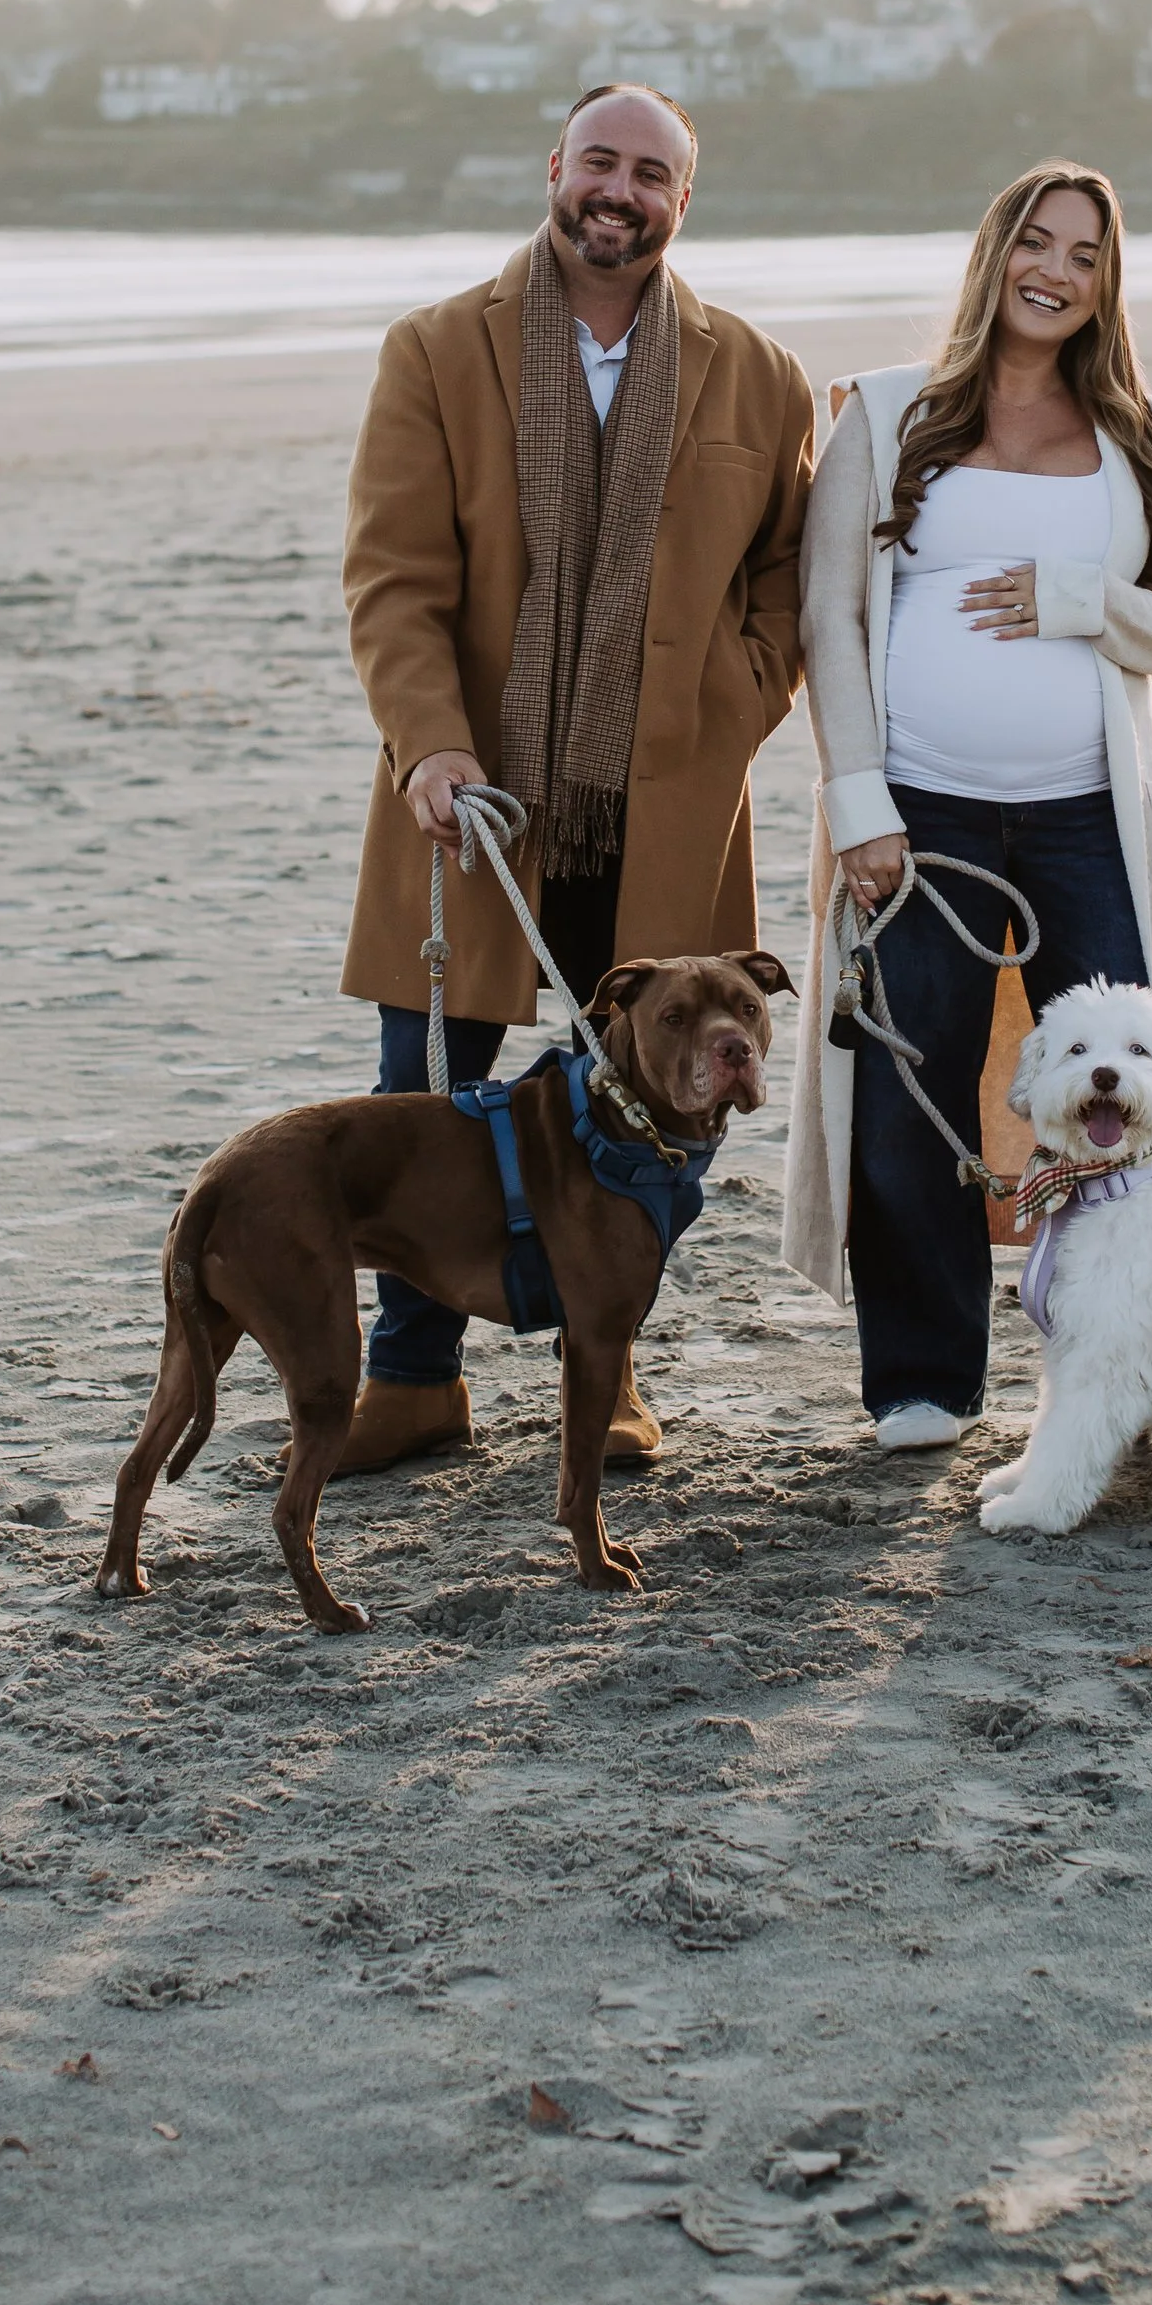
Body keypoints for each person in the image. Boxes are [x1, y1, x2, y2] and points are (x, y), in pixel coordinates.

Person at [337, 82, 814, 1473]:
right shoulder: (434, 349)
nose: (620, 188)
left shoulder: (761, 372)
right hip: (474, 799)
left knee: (659, 1108)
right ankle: (415, 1379)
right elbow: (393, 578)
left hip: (668, 791)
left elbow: (786, 572)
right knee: (426, 1100)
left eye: (650, 171)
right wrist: (429, 742)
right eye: (598, 160)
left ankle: (605, 1377)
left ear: (683, 198)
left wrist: (737, 698)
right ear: (554, 168)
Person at [783, 160, 1152, 1447]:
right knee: (904, 1088)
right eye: (1036, 243)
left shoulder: (1141, 434)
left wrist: (1076, 601)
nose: (1055, 270)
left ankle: (1139, 1364)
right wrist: (858, 797)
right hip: (914, 817)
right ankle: (926, 1384)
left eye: (1084, 256)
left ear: (1107, 285)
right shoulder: (884, 412)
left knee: (1128, 1101)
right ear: (995, 253)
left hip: (1086, 816)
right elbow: (827, 612)